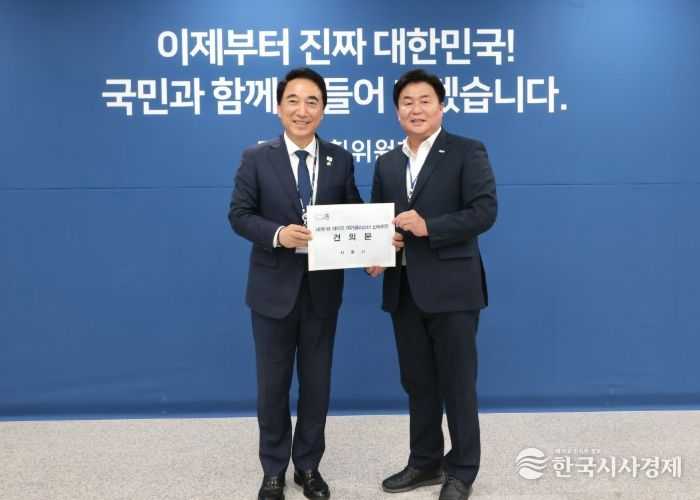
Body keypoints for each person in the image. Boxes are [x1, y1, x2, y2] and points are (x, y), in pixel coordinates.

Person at [228, 67, 362, 500]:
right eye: (293, 101)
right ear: (278, 107)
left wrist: (376, 247)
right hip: (272, 291)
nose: (302, 110)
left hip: (323, 291)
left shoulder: (339, 158)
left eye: (312, 102)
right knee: (272, 386)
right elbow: (239, 215)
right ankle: (273, 469)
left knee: (317, 385)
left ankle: (308, 466)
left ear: (323, 110)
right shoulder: (256, 157)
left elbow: (354, 213)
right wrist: (278, 235)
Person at [367, 69, 497, 500]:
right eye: (407, 102)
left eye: (425, 100)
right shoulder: (387, 162)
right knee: (418, 382)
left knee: (457, 384)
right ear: (396, 111)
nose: (416, 109)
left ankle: (462, 471)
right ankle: (424, 462)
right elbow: (381, 221)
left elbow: (484, 212)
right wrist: (378, 251)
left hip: (454, 289)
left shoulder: (466, 151)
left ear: (441, 106)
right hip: (403, 290)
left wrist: (430, 227)